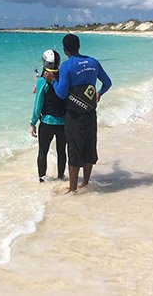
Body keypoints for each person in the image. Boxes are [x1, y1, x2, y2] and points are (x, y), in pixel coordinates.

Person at [44, 34, 112, 194]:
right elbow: (108, 83)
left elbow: (61, 94)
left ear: (65, 49)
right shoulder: (93, 62)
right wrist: (100, 93)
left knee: (74, 149)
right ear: (79, 46)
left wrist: (52, 80)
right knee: (89, 146)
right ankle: (86, 183)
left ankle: (73, 189)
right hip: (90, 114)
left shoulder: (67, 66)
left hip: (74, 116)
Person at [30, 49, 67, 182]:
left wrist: (32, 123)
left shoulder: (42, 81)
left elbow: (37, 105)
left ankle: (42, 179)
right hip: (63, 123)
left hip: (47, 123)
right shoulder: (64, 78)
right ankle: (61, 177)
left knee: (43, 152)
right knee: (61, 151)